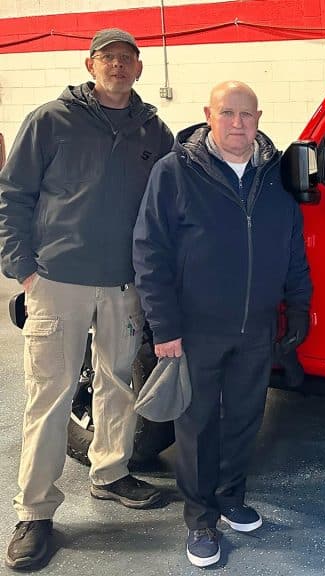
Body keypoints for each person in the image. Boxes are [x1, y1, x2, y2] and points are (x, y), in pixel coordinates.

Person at [0, 28, 173, 571]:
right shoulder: (50, 120)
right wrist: (23, 269)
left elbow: (168, 201)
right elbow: (12, 195)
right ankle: (35, 510)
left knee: (118, 383)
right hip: (59, 280)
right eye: (109, 58)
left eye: (128, 59)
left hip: (125, 284)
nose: (118, 66)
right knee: (50, 395)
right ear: (90, 64)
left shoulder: (153, 129)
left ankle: (111, 471)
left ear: (140, 69)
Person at [132, 81, 312, 567]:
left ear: (259, 117)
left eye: (246, 114)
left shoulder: (275, 174)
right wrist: (164, 326)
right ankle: (201, 519)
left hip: (255, 327)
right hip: (195, 328)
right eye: (227, 113)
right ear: (208, 115)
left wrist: (298, 306)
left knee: (245, 418)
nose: (237, 123)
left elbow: (293, 245)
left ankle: (232, 498)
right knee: (197, 424)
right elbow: (151, 252)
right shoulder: (174, 172)